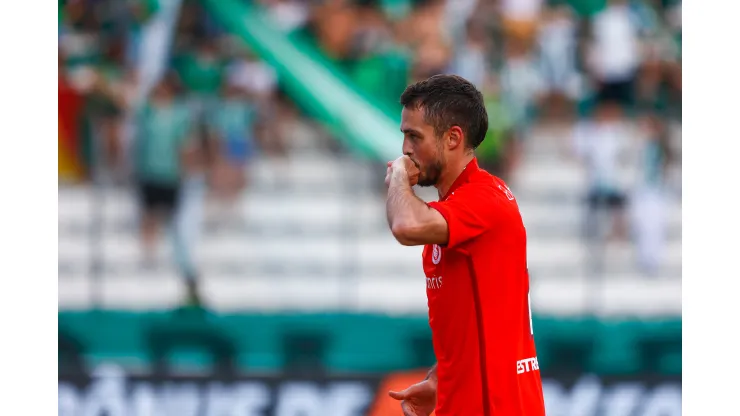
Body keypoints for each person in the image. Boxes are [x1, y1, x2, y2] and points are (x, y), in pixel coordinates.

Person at [384, 74, 545, 416]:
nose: (405, 151)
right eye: (404, 137)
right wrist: (442, 378)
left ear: (453, 138)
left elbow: (404, 225)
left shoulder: (482, 199)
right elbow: (482, 321)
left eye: (415, 137)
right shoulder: (458, 210)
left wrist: (398, 177)